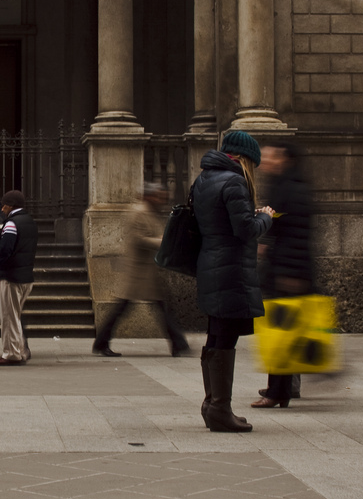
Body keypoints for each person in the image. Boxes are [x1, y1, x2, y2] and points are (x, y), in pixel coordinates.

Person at [193, 131, 274, 433]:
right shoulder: (234, 181)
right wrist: (265, 217)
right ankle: (219, 410)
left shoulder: (204, 179)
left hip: (211, 264)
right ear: (243, 158)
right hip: (229, 270)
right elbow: (245, 229)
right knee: (225, 338)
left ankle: (212, 404)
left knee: (216, 334)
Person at [91, 182, 191, 358]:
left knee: (160, 308)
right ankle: (101, 342)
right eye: (158, 196)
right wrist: (161, 242)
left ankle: (178, 343)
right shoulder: (138, 212)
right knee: (126, 309)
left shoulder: (149, 211)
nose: (161, 199)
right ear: (148, 196)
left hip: (147, 271)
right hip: (137, 271)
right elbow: (138, 239)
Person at [253, 142, 313, 408]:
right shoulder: (283, 185)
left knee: (282, 334)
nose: (265, 162)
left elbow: (297, 235)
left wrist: (289, 272)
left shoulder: (291, 189)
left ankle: (279, 391)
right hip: (284, 269)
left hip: (288, 271)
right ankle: (281, 388)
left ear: (284, 159)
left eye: (270, 157)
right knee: (283, 332)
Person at [0, 190, 38, 366]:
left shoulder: (11, 223)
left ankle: (11, 353)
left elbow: (5, 249)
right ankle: (21, 351)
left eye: (4, 205)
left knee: (9, 317)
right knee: (15, 315)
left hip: (11, 276)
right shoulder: (30, 222)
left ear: (10, 206)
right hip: (27, 276)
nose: (2, 209)